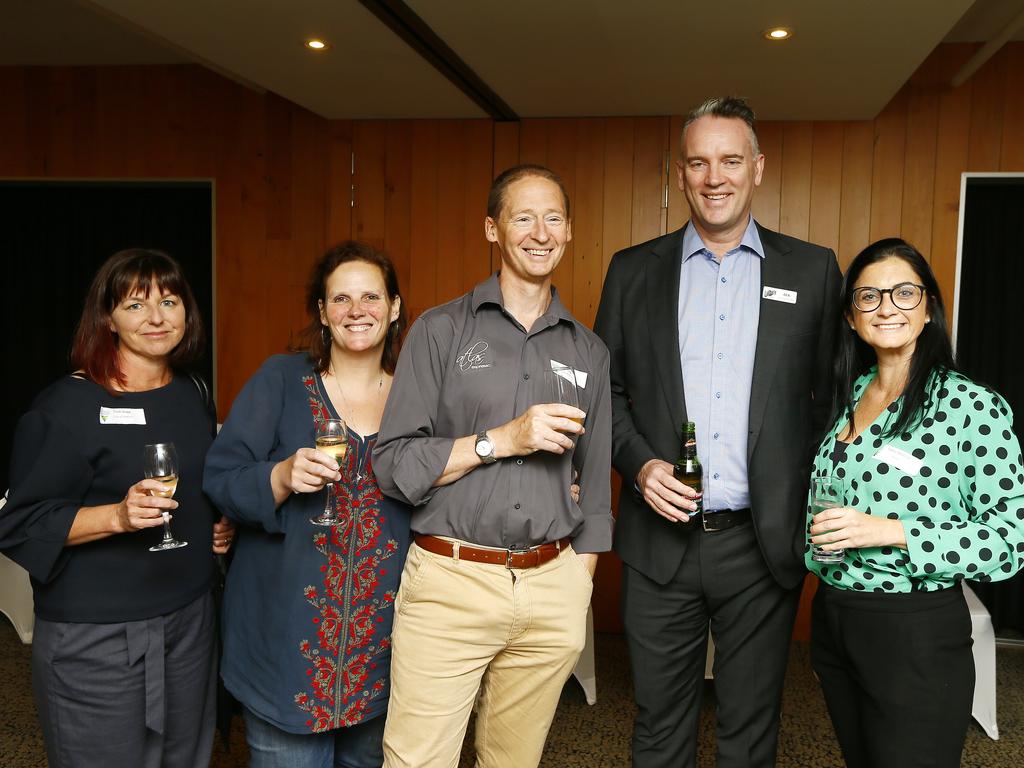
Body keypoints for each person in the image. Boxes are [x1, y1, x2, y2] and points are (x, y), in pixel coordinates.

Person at [593, 97, 841, 767]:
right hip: (658, 543)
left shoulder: (812, 272)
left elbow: (833, 406)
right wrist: (640, 466)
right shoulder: (632, 271)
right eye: (699, 162)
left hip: (761, 549)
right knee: (659, 724)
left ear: (757, 168)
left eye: (731, 160)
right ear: (681, 175)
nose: (715, 177)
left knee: (749, 730)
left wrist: (803, 514)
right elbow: (604, 395)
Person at [372, 163, 612, 767]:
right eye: (522, 217)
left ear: (569, 232)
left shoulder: (588, 351)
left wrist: (573, 583)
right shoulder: (440, 331)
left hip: (550, 587)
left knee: (513, 761)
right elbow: (393, 463)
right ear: (492, 229)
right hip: (451, 583)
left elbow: (599, 488)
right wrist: (500, 439)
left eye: (553, 218)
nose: (540, 231)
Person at [0, 248, 233, 767]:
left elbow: (199, 486)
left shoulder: (193, 393)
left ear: (186, 311)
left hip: (190, 620)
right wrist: (117, 517)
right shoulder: (65, 407)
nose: (156, 318)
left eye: (169, 301)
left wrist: (221, 523)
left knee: (185, 759)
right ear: (107, 317)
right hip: (96, 635)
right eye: (135, 305)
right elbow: (18, 524)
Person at [807, 237, 1024, 767]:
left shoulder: (970, 405)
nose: (886, 307)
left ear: (928, 308)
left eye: (904, 293)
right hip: (836, 616)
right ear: (851, 316)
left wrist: (891, 530)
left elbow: (1009, 542)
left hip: (914, 628)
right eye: (869, 296)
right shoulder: (853, 393)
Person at [203, 241, 411, 767]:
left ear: (394, 306)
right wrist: (279, 475)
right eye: (340, 299)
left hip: (383, 647)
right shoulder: (281, 379)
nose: (356, 310)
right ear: (322, 312)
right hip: (284, 644)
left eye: (371, 296)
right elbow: (221, 477)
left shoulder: (419, 395)